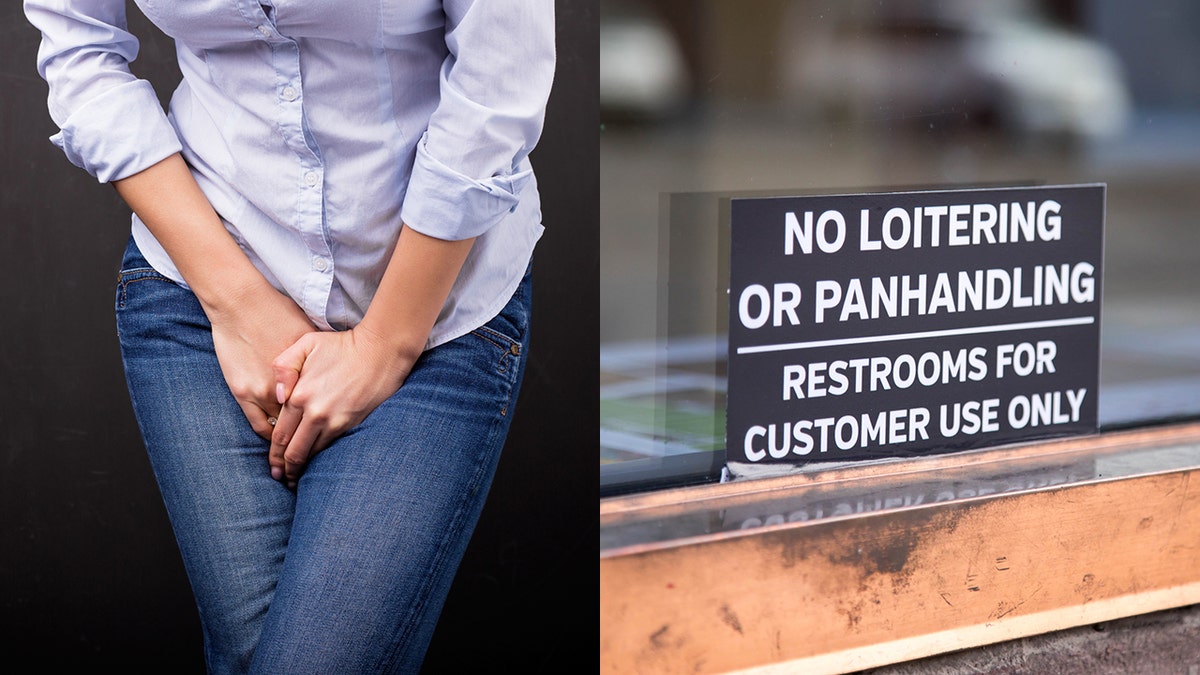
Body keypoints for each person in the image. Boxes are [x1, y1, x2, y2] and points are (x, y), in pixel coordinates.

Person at [23, 1, 555, 672]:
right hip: (202, 291)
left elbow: (498, 84)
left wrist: (382, 344)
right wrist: (237, 303)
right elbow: (81, 54)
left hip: (432, 311)